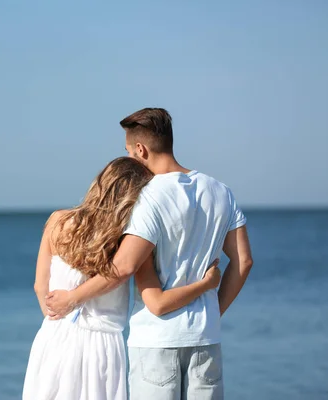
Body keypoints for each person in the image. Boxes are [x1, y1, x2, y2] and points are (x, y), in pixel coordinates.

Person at [46, 108, 253, 400]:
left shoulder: (148, 196)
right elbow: (243, 261)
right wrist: (213, 313)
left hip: (157, 341)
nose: (130, 158)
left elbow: (125, 266)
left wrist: (72, 299)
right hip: (207, 339)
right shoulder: (221, 191)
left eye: (129, 152)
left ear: (140, 150)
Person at [23, 157, 221, 400]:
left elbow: (39, 285)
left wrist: (56, 315)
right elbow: (123, 273)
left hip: (52, 337)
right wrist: (206, 283)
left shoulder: (57, 221)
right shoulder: (125, 241)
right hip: (101, 347)